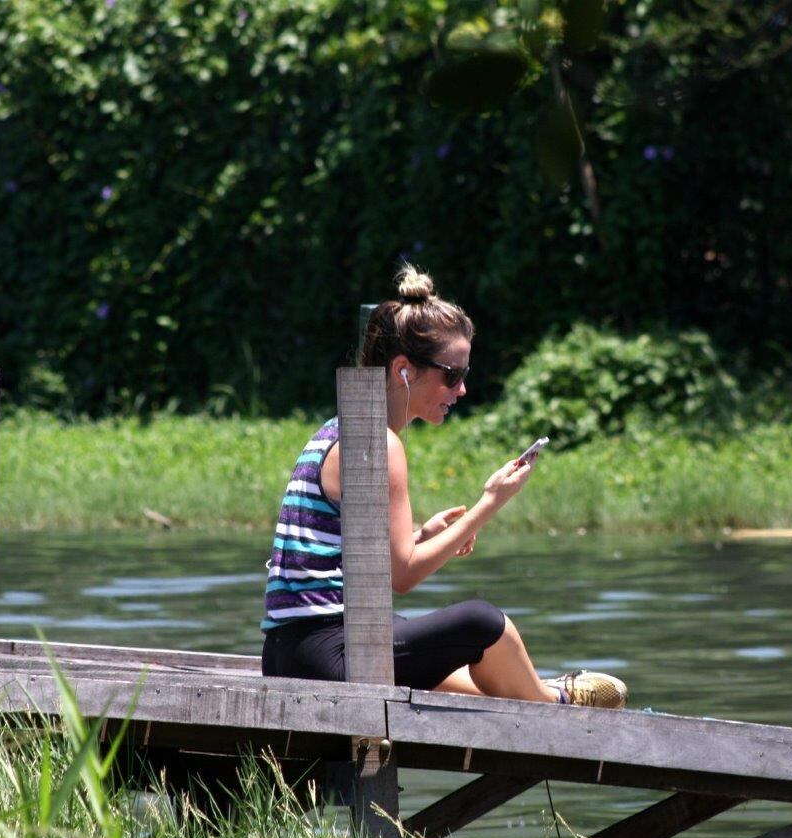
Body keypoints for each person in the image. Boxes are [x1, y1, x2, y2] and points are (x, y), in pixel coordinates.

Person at [260, 264, 627, 709]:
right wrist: (490, 503)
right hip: (328, 655)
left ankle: (538, 689)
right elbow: (404, 575)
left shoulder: (340, 429)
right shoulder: (380, 442)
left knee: (433, 648)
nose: (463, 388)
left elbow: (359, 561)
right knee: (483, 623)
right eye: (451, 374)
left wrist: (422, 537)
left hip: (288, 653)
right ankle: (557, 704)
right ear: (403, 370)